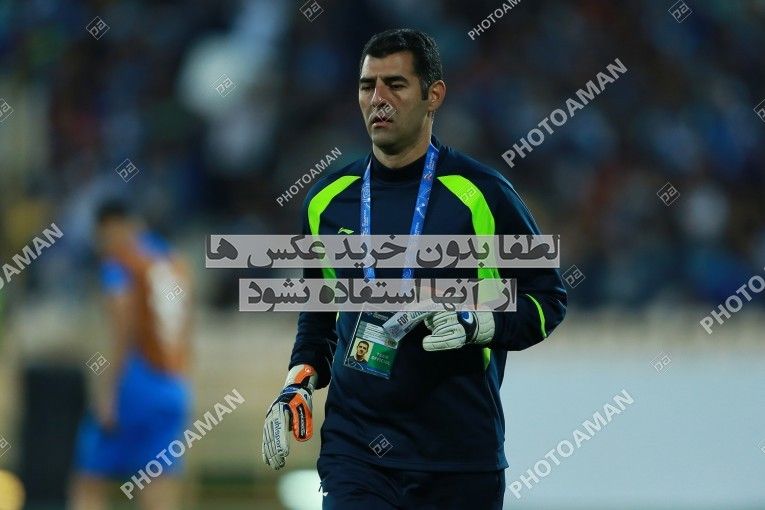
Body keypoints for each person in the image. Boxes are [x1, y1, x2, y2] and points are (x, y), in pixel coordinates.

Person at [262, 28, 567, 509]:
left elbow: (548, 300)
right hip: (355, 454)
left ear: (433, 95)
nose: (378, 99)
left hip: (458, 458)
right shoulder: (326, 201)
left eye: (396, 85)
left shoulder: (482, 195)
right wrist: (297, 382)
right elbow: (318, 318)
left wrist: (479, 323)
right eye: (368, 86)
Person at [69, 201, 193, 510]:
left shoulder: (120, 263)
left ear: (111, 227)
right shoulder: (172, 260)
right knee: (157, 482)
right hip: (173, 384)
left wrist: (107, 393)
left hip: (134, 384)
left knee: (88, 481)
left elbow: (123, 328)